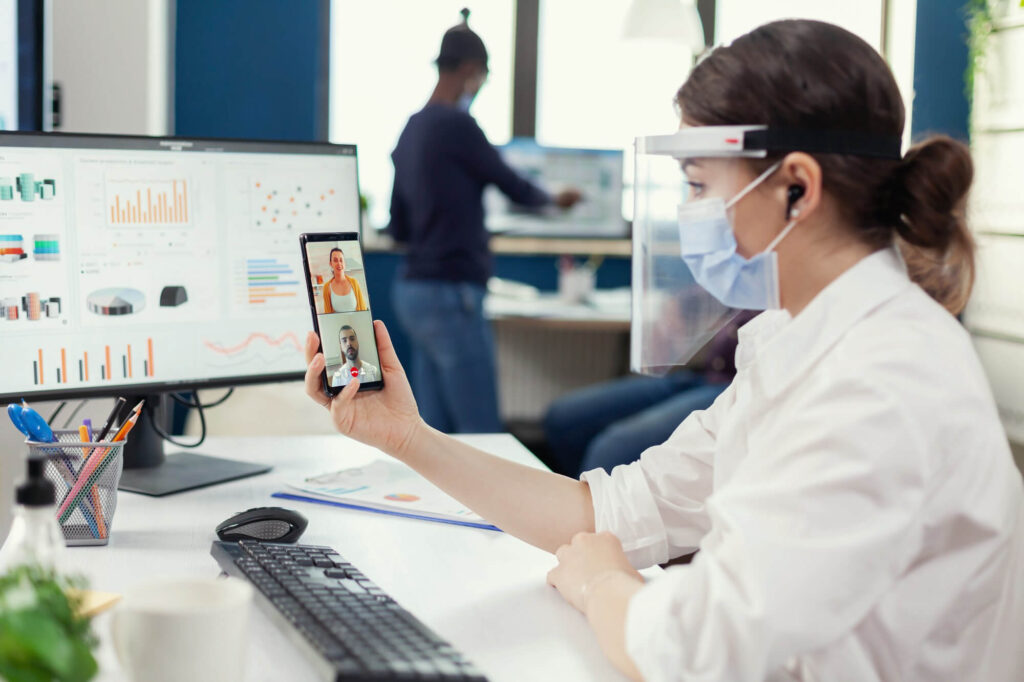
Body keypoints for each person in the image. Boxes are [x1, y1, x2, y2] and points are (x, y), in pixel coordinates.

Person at [305, 19, 1023, 682]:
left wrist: (602, 584)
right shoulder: (798, 341)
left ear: (797, 188)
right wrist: (408, 438)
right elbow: (613, 512)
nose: (690, 215)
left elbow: (695, 649)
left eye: (700, 185)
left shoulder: (881, 381)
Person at [387, 9, 580, 433]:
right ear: (472, 71)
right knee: (482, 432)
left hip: (413, 291)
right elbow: (513, 185)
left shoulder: (411, 129)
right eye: (482, 79)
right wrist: (555, 200)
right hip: (451, 293)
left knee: (433, 433)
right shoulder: (459, 125)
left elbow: (397, 225)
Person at [544, 310, 757, 477]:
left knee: (611, 449)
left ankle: (594, 523)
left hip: (738, 385)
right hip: (706, 374)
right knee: (564, 417)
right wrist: (678, 306)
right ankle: (581, 504)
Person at [321, 247, 367, 313]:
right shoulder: (327, 287)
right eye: (335, 260)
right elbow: (327, 314)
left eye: (341, 260)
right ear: (331, 264)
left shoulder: (354, 283)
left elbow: (363, 308)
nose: (339, 263)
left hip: (356, 322)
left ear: (344, 263)